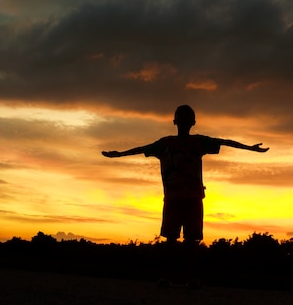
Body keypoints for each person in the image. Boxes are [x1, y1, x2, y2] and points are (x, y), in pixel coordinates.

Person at [102, 104, 268, 288]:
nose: (184, 121)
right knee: (172, 241)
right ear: (176, 121)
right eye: (182, 118)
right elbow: (141, 148)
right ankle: (170, 278)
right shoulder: (165, 143)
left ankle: (189, 279)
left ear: (192, 122)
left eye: (186, 118)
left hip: (193, 198)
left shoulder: (197, 142)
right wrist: (118, 155)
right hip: (174, 199)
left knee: (190, 241)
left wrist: (250, 148)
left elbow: (224, 141)